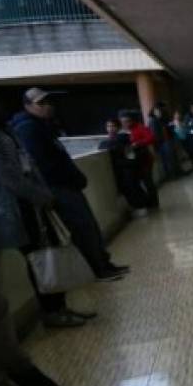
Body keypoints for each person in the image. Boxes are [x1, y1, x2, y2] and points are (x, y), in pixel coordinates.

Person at [0, 72, 70, 386]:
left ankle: (13, 376)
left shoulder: (1, 128)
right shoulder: (13, 130)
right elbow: (5, 174)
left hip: (5, 219)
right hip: (2, 216)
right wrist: (41, 195)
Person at [11, 87, 130, 283]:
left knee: (88, 226)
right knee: (82, 228)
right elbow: (43, 165)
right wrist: (69, 179)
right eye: (41, 104)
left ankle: (104, 264)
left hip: (66, 186)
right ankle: (99, 269)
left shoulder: (41, 125)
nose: (48, 107)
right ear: (27, 106)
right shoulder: (28, 129)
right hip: (58, 188)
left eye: (49, 102)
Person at [98, 117, 148, 214]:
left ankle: (140, 207)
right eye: (108, 126)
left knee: (132, 188)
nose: (110, 128)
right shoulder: (117, 139)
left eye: (113, 126)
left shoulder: (122, 138)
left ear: (118, 127)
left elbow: (111, 147)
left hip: (127, 168)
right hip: (126, 168)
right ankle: (141, 206)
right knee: (133, 188)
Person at [120, 111, 159, 209]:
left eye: (127, 121)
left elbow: (151, 138)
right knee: (136, 182)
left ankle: (154, 203)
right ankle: (146, 201)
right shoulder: (123, 131)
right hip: (133, 161)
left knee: (148, 181)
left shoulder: (141, 128)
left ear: (132, 120)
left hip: (144, 160)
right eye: (123, 122)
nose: (125, 124)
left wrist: (138, 143)